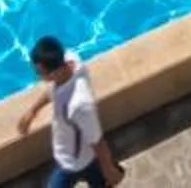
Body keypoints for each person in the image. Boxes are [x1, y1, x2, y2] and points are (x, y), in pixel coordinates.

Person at [16, 37, 119, 187]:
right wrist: (33, 110)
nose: (38, 77)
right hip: (76, 155)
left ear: (54, 73)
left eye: (39, 73)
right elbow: (54, 90)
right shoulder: (70, 61)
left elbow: (98, 143)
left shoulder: (79, 105)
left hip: (73, 163)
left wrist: (109, 170)